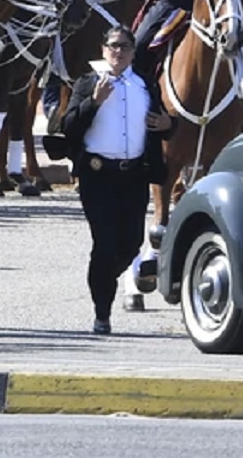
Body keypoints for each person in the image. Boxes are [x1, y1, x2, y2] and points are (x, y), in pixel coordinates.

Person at [61, 26, 175, 334]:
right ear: (103, 50)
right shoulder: (88, 83)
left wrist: (168, 123)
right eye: (113, 46)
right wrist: (94, 102)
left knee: (130, 245)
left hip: (134, 174)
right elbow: (68, 126)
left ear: (133, 53)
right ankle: (102, 311)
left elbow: (162, 124)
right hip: (97, 175)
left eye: (125, 47)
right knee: (105, 242)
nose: (118, 52)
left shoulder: (144, 85)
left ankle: (102, 278)